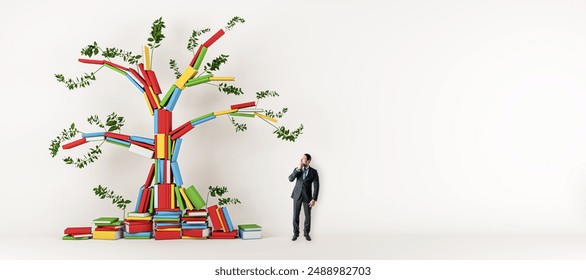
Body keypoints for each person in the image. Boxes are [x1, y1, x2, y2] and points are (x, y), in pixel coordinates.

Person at [288, 153, 319, 241]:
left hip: (307, 197)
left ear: (308, 161)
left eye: (304, 158)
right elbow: (290, 179)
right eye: (301, 158)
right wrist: (298, 169)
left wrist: (314, 199)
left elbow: (316, 186)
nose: (301, 160)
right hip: (297, 195)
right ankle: (295, 233)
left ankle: (306, 233)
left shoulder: (314, 172)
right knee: (295, 215)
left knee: (308, 216)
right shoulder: (298, 169)